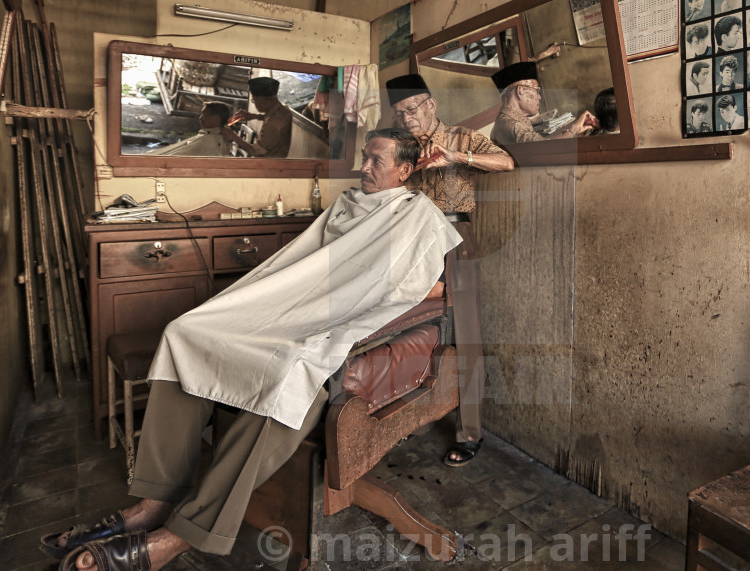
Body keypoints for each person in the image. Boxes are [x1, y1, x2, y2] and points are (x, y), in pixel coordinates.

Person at [43, 129, 461, 571]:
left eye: (377, 161)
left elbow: (428, 284)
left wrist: (349, 299)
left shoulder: (419, 216)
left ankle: (178, 537)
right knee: (187, 332)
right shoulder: (346, 205)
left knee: (290, 370)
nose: (364, 167)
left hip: (344, 317)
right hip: (296, 307)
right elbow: (305, 266)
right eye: (364, 156)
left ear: (405, 169)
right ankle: (153, 501)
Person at [384, 74, 514, 468]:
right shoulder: (402, 147)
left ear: (430, 105)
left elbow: (506, 162)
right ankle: (403, 416)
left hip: (455, 237)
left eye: (411, 110)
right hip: (410, 239)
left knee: (468, 334)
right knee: (406, 325)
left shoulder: (462, 136)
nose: (407, 119)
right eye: (400, 113)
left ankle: (470, 432)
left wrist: (457, 158)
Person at [491, 61, 596, 144]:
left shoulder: (504, 122)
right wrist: (573, 130)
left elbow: (538, 143)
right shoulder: (513, 125)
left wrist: (574, 131)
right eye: (537, 90)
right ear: (520, 91)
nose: (539, 97)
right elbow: (545, 147)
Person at [151, 102, 242, 157]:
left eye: (204, 115)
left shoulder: (210, 141)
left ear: (216, 119)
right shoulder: (211, 135)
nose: (200, 118)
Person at [233, 76, 292, 158]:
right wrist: (254, 116)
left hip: (269, 166)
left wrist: (233, 137)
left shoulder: (273, 124)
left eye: (254, 100)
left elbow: (256, 152)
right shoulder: (283, 109)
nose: (255, 104)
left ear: (265, 100)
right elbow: (270, 117)